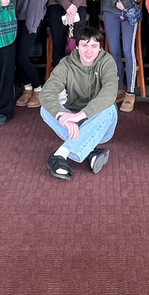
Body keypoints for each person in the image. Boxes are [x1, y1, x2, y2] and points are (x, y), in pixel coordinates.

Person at [39, 25, 118, 180]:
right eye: (84, 45)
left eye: (94, 46)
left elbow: (110, 93)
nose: (89, 51)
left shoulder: (107, 61)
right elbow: (47, 92)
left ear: (100, 48)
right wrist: (63, 116)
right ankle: (91, 149)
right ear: (76, 47)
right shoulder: (66, 64)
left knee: (109, 108)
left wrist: (80, 116)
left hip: (100, 124)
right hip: (73, 120)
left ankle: (61, 154)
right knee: (45, 109)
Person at [92, 0, 145, 113]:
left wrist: (129, 2)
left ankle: (131, 92)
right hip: (109, 12)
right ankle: (119, 89)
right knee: (113, 50)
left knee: (127, 50)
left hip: (128, 12)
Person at [14, 0, 53, 109]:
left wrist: (32, 21)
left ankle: (38, 89)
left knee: (22, 57)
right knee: (15, 57)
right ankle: (27, 88)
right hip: (17, 16)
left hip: (32, 16)